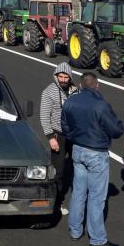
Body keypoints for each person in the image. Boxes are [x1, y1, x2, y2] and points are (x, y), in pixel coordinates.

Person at [61, 72, 124, 246]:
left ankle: (75, 231)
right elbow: (116, 130)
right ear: (97, 85)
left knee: (78, 192)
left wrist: (75, 136)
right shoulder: (101, 104)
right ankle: (97, 239)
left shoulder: (70, 101)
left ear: (81, 85)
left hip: (78, 150)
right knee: (96, 197)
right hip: (96, 152)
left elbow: (64, 126)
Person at [39, 62, 78, 215]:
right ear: (56, 76)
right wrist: (50, 137)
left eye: (65, 76)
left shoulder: (76, 91)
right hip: (58, 135)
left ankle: (77, 200)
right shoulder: (48, 92)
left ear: (70, 77)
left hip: (73, 136)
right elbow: (44, 116)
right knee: (58, 172)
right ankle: (57, 203)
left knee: (77, 168)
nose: (62, 79)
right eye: (60, 76)